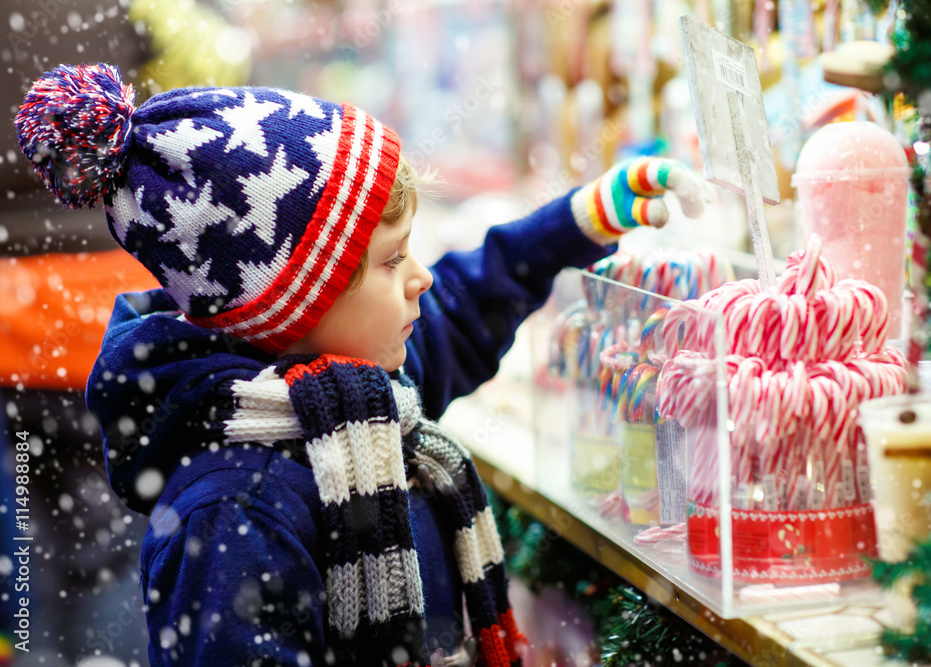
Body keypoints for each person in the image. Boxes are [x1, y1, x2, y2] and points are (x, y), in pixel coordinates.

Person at [14, 63, 707, 667]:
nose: (422, 279)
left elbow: (466, 305)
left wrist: (580, 220)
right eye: (390, 260)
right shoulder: (235, 513)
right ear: (290, 306)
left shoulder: (360, 390)